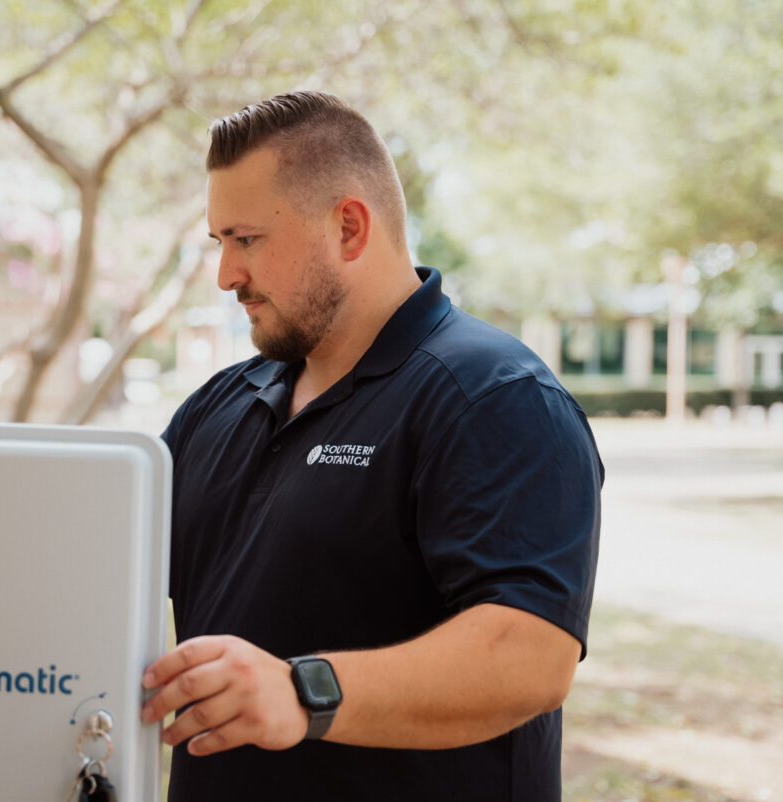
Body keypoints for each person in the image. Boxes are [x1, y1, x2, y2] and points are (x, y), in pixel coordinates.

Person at [143, 90, 603, 801]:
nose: (226, 275)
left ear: (349, 229)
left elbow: (530, 659)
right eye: (220, 243)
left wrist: (303, 692)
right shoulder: (216, 407)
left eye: (247, 240)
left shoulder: (494, 397)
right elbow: (106, 584)